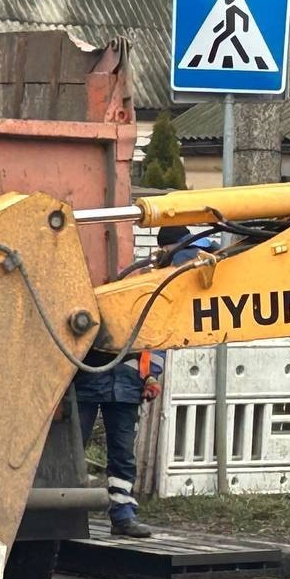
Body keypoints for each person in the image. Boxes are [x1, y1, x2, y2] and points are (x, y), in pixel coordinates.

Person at [75, 226, 215, 538]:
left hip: (126, 384)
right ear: (172, 249)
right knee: (73, 450)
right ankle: (67, 517)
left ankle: (123, 515)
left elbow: (156, 339)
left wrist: (152, 375)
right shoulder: (135, 284)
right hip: (87, 378)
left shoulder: (161, 291)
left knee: (123, 454)